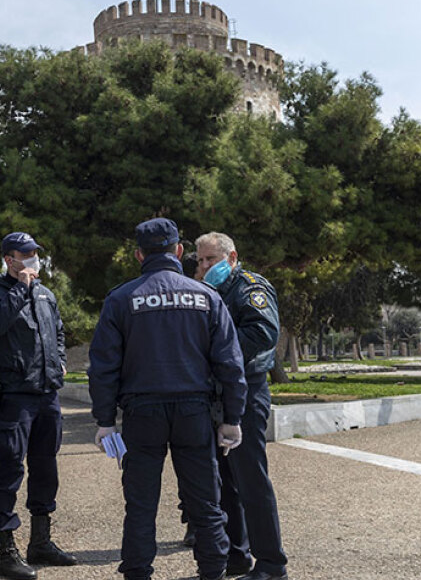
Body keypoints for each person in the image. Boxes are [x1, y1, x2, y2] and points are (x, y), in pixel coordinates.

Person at [89, 218, 248, 580]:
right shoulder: (207, 297)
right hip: (194, 411)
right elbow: (229, 362)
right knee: (206, 503)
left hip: (141, 413)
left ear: (139, 254)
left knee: (141, 505)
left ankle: (138, 572)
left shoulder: (121, 298)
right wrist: (232, 418)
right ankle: (212, 572)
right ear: (178, 251)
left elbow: (103, 367)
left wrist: (103, 420)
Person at [0, 231, 77, 580]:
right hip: (14, 397)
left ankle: (41, 542)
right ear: (9, 258)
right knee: (7, 471)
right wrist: (20, 287)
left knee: (46, 468)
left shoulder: (46, 295)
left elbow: (59, 332)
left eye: (36, 252)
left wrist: (60, 359)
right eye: (26, 253)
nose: (34, 258)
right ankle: (7, 552)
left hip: (47, 394)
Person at [194, 231, 288, 580]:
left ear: (232, 258)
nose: (204, 267)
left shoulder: (250, 286)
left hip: (247, 391)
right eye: (200, 261)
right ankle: (237, 555)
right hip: (217, 394)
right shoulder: (210, 290)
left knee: (251, 479)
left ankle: (271, 564)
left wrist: (219, 348)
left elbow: (264, 332)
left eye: (211, 260)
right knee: (224, 481)